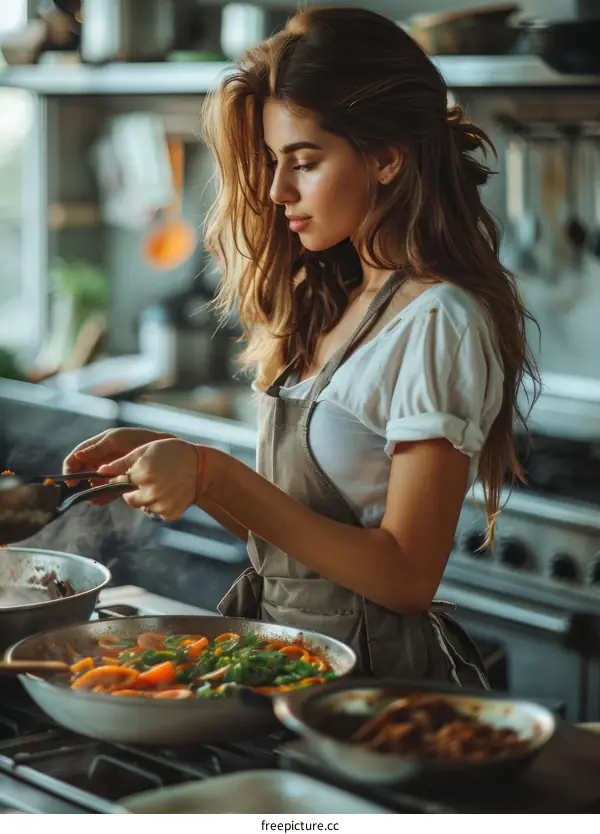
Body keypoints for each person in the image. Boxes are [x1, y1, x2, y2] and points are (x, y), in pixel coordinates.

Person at [64, 6, 540, 688]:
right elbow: (293, 546)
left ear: (385, 159)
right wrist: (183, 473)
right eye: (271, 162)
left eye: (305, 162)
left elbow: (406, 577)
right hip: (290, 664)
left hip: (371, 691)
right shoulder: (337, 303)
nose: (276, 190)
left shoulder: (440, 320)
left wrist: (213, 473)